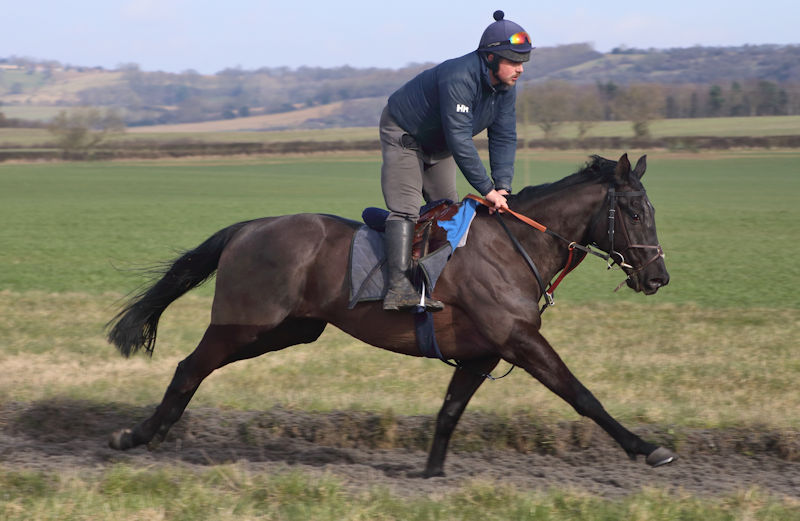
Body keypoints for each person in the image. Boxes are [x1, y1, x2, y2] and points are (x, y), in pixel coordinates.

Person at [379, 10, 533, 312]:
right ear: (490, 58)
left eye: (524, 61)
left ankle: (438, 281)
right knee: (406, 208)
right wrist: (486, 189)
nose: (520, 69)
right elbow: (460, 139)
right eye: (514, 61)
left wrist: (502, 186)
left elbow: (503, 135)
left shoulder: (506, 88)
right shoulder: (459, 77)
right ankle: (398, 288)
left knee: (449, 211)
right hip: (405, 134)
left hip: (439, 144)